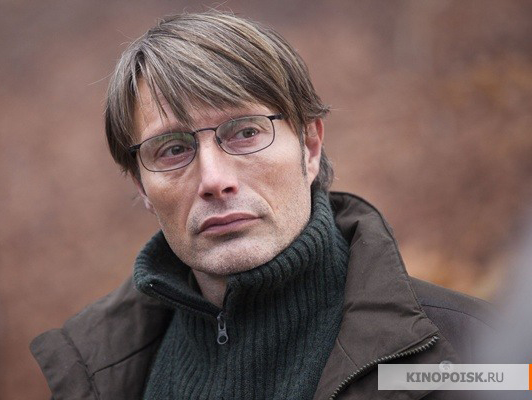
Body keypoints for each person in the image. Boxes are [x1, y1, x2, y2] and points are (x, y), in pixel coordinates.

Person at [30, 11, 492, 400]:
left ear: (309, 147)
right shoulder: (93, 373)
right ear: (141, 186)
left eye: (246, 132)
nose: (215, 180)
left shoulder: (481, 356)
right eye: (172, 149)